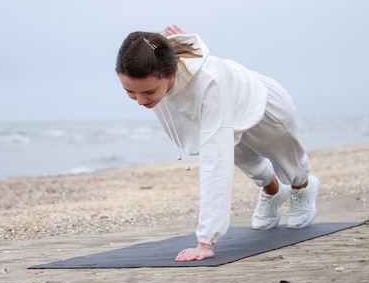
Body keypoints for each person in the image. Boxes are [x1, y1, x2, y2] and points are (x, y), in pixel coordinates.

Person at [115, 24, 319, 262]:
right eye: (130, 92)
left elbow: (216, 163)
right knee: (246, 161)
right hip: (222, 109)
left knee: (288, 164)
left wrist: (206, 241)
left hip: (263, 107)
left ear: (170, 74)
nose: (140, 101)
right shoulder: (161, 63)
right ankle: (272, 191)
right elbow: (167, 49)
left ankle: (302, 188)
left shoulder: (210, 82)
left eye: (148, 92)